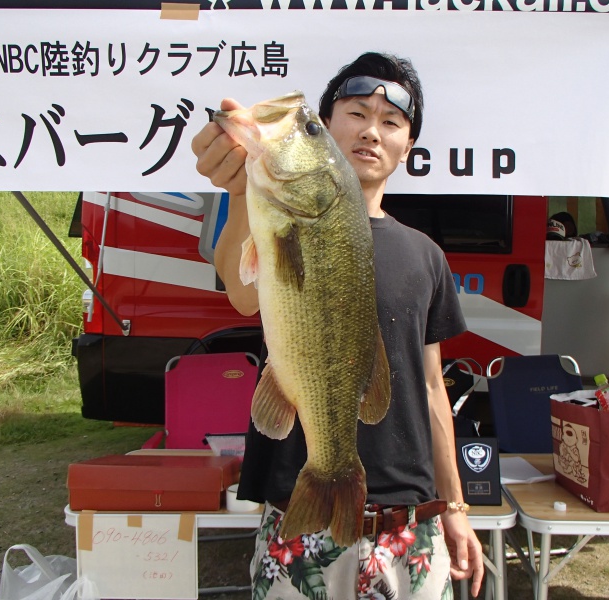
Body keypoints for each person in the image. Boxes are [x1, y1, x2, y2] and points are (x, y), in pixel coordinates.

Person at [192, 52, 484, 599]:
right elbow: (240, 292)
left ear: (407, 148)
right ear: (327, 128)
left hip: (409, 524)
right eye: (355, 113)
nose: (372, 131)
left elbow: (431, 390)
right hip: (299, 523)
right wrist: (237, 192)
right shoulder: (272, 212)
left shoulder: (426, 256)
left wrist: (456, 508)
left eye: (391, 122)